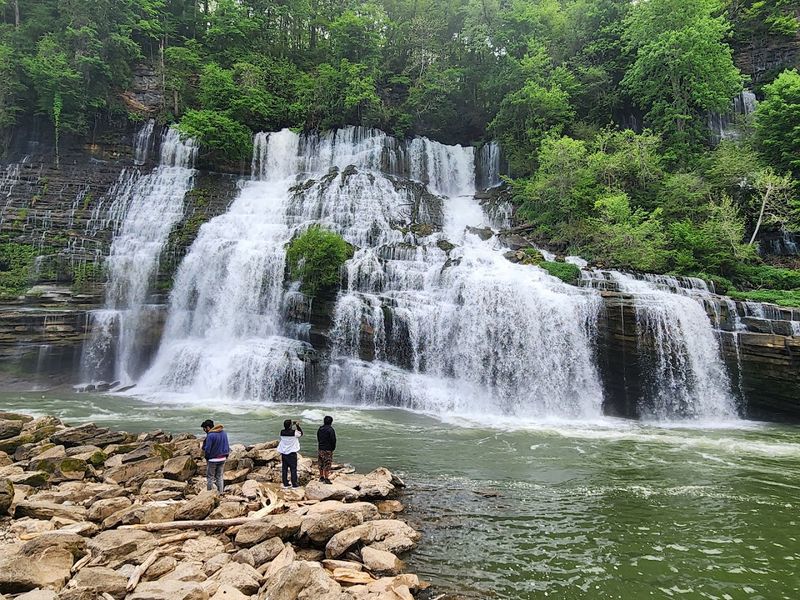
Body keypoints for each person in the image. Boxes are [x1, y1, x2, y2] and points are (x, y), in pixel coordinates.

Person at [201, 419, 229, 493]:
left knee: (210, 477)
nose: (204, 431)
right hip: (223, 458)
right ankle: (220, 493)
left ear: (208, 427)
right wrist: (226, 455)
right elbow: (227, 445)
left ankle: (209, 495)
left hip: (213, 459)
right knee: (219, 477)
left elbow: (207, 449)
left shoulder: (210, 435)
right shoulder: (223, 433)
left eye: (204, 429)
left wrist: (206, 457)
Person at [278, 419, 303, 488]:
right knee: (293, 469)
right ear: (290, 426)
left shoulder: (282, 432)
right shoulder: (294, 432)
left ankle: (285, 483)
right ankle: (294, 484)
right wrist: (297, 426)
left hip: (284, 453)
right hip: (292, 453)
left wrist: (292, 424)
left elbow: (288, 429)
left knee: (284, 469)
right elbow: (301, 433)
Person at [317, 415, 336, 484]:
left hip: (321, 448)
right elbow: (333, 440)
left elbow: (318, 438)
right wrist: (333, 448)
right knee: (327, 464)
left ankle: (321, 476)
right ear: (331, 422)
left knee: (320, 463)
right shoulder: (331, 430)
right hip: (328, 449)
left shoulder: (320, 428)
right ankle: (326, 478)